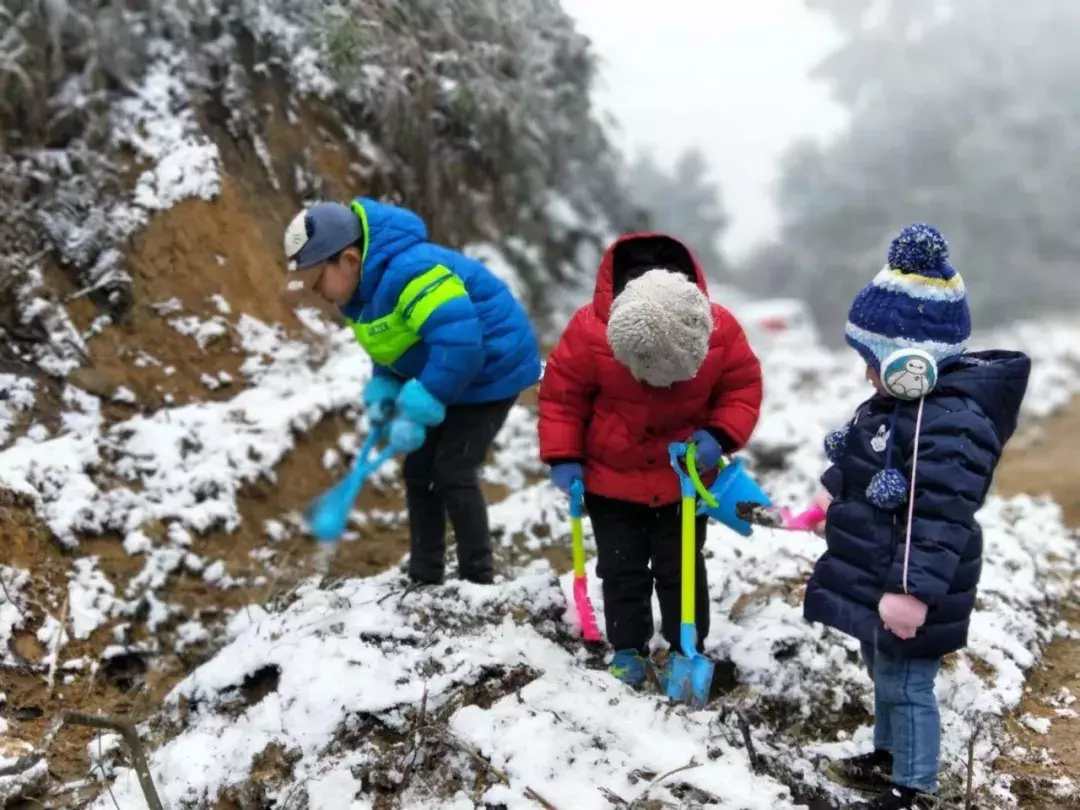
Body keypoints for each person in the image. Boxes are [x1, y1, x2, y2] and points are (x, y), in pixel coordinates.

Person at [803, 223, 1031, 810]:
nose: (866, 375)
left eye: (873, 361)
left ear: (914, 362)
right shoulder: (898, 405)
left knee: (907, 684)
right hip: (883, 572)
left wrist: (911, 592)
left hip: (915, 583)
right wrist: (826, 500)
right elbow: (862, 458)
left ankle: (916, 788)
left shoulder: (950, 423)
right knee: (882, 668)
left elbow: (939, 518)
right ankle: (888, 758)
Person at [537, 232, 763, 686]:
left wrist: (721, 434)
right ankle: (628, 650)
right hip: (610, 480)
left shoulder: (719, 329)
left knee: (681, 567)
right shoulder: (588, 331)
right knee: (621, 569)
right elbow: (563, 398)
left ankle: (687, 649)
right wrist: (563, 455)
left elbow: (741, 387)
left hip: (683, 480)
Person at [282, 198, 542, 585]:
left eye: (317, 278)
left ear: (350, 261)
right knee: (419, 470)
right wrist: (386, 386)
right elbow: (396, 344)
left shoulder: (410, 272)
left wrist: (426, 400)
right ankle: (425, 573)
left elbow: (461, 344)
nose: (315, 290)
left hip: (491, 367)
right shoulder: (360, 296)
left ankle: (478, 580)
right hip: (448, 366)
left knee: (452, 469)